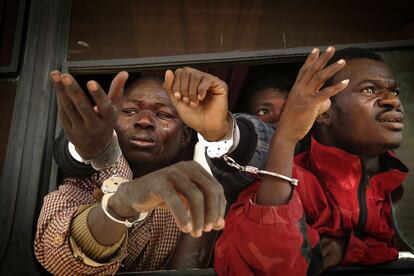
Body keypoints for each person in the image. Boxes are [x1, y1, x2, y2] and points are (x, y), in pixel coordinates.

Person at [192, 47, 407, 275]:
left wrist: (350, 249)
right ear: (322, 113)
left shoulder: (394, 186)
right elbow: (256, 266)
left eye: (395, 92)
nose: (392, 102)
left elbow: (393, 247)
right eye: (370, 89)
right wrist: (285, 138)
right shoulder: (282, 184)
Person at [34, 71, 228, 274]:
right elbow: (58, 261)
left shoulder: (191, 194)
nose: (144, 120)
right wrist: (124, 201)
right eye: (129, 111)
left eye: (163, 115)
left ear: (185, 137)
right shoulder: (80, 184)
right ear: (111, 123)